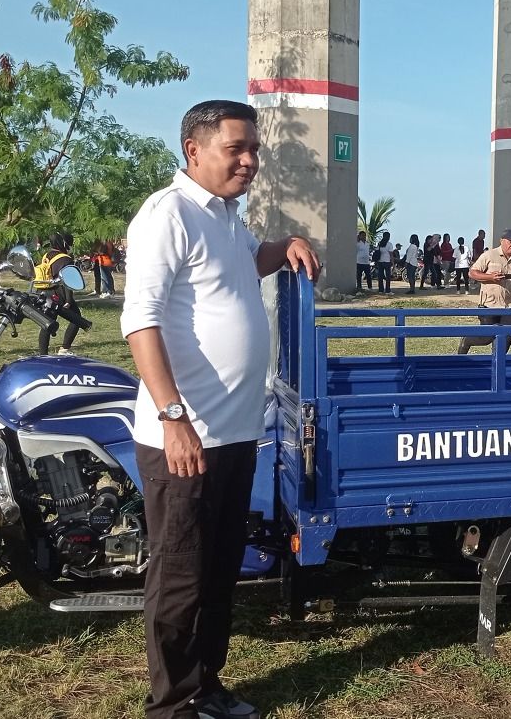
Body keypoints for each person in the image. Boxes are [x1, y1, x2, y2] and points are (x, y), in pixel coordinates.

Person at [121, 99, 320, 719]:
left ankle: (205, 687)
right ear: (194, 151)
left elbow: (241, 269)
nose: (250, 160)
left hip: (235, 434)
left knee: (217, 571)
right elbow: (140, 323)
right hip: (186, 437)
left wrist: (282, 244)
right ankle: (173, 706)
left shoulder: (228, 220)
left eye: (254, 149)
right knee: (181, 577)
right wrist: (173, 418)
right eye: (236, 148)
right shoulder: (168, 214)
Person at [459, 229, 511, 354]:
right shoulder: (489, 255)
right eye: (510, 242)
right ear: (502, 241)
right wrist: (490, 277)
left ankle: (495, 367)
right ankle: (466, 341)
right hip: (489, 305)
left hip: (508, 306)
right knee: (486, 337)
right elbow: (472, 273)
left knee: (505, 339)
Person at [33, 232, 92, 356]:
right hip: (58, 293)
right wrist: (68, 300)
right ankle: (64, 349)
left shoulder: (46, 255)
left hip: (44, 292)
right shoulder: (65, 258)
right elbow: (67, 281)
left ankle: (42, 354)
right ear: (64, 243)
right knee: (77, 318)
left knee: (47, 323)